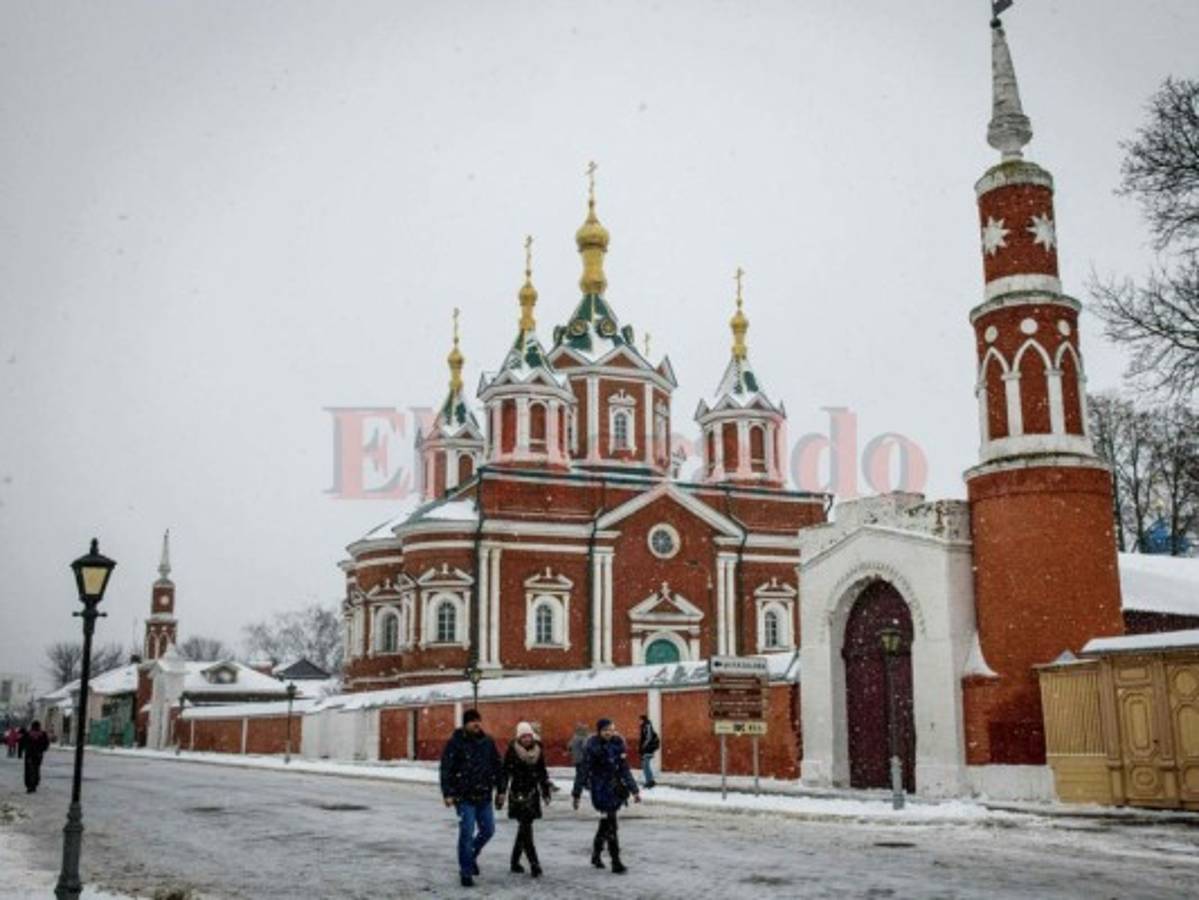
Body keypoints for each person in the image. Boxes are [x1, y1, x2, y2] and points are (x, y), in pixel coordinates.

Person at [439, 709, 503, 888]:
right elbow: (446, 769)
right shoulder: (455, 743)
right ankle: (465, 871)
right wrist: (448, 793)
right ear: (465, 724)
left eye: (478, 721)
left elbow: (498, 766)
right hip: (463, 797)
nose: (477, 724)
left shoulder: (487, 742)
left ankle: (471, 855)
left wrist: (501, 790)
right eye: (472, 721)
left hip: (484, 795)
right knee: (466, 833)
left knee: (488, 830)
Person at [571, 717, 641, 874]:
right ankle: (616, 861)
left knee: (606, 825)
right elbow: (583, 772)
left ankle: (596, 855)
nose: (609, 732)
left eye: (611, 729)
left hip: (615, 789)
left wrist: (634, 790)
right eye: (605, 730)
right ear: (599, 731)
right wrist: (576, 794)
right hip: (600, 790)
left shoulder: (618, 745)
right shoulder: (592, 747)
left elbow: (624, 770)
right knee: (611, 825)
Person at [496, 721, 551, 878]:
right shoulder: (512, 751)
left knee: (524, 829)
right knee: (526, 829)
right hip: (518, 795)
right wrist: (501, 793)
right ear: (519, 738)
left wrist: (545, 791)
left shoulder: (538, 750)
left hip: (532, 794)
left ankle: (514, 861)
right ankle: (534, 864)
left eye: (529, 736)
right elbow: (505, 773)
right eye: (523, 736)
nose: (527, 739)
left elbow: (542, 772)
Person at [20, 721, 51, 794]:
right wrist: (42, 750)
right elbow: (46, 743)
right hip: (38, 755)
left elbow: (22, 743)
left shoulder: (28, 733)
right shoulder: (42, 734)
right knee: (36, 769)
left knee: (29, 770)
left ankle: (29, 785)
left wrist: (21, 752)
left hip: (29, 755)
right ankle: (34, 784)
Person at [637, 714, 660, 788]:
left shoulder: (647, 726)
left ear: (643, 720)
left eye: (640, 720)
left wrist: (643, 747)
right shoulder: (645, 726)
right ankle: (650, 781)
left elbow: (648, 738)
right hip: (647, 749)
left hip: (648, 749)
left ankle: (649, 782)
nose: (639, 721)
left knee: (645, 766)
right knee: (645, 766)